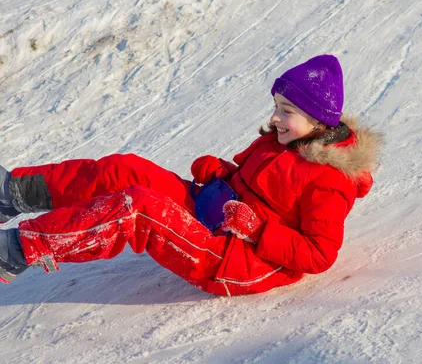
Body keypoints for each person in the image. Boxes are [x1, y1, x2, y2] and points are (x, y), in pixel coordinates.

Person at [0, 54, 382, 296]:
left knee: (140, 209)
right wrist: (223, 174)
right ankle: (12, 193)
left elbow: (319, 255)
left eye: (287, 110)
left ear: (317, 121)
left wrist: (257, 231)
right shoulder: (283, 142)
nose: (275, 117)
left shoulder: (329, 180)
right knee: (125, 169)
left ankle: (18, 251)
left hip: (241, 260)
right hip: (213, 216)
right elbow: (255, 187)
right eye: (276, 106)